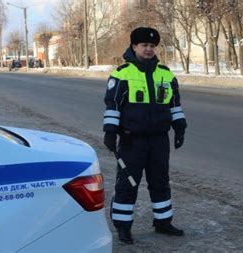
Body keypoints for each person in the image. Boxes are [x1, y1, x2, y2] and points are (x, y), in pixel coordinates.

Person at [102, 27, 187, 244]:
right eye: (144, 46)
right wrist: (110, 132)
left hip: (159, 140)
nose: (148, 49)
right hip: (132, 140)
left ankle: (163, 222)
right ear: (134, 47)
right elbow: (113, 106)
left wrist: (179, 128)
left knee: (160, 181)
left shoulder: (166, 74)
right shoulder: (122, 74)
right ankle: (123, 227)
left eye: (151, 46)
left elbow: (174, 105)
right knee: (127, 184)